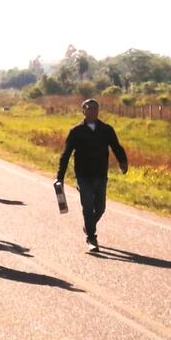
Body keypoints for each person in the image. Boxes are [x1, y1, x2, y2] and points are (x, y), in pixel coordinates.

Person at [56, 98, 128, 251]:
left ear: (98, 111)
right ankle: (91, 237)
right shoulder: (76, 131)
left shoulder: (106, 129)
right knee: (87, 206)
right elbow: (66, 154)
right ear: (83, 111)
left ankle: (89, 225)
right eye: (88, 108)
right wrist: (60, 177)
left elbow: (116, 147)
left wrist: (123, 162)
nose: (92, 111)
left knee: (100, 208)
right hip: (83, 175)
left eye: (95, 108)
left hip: (101, 174)